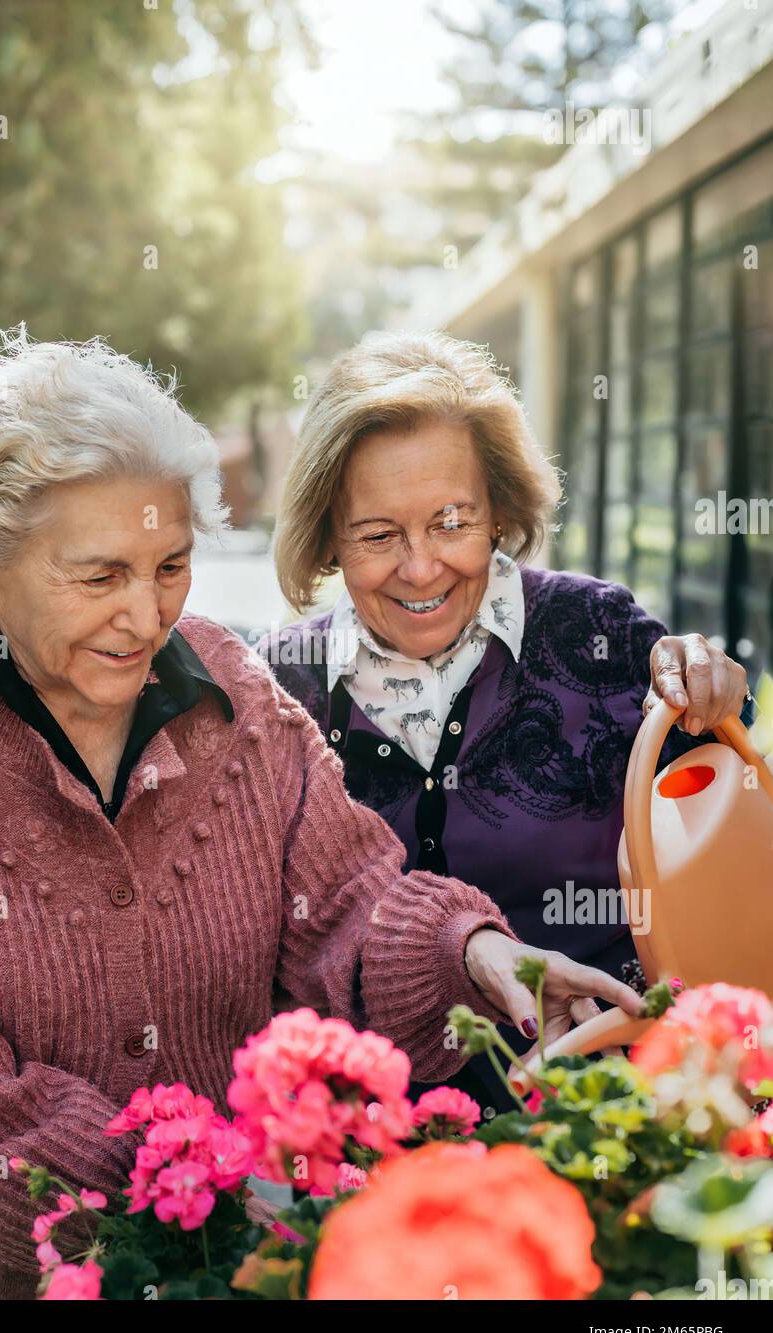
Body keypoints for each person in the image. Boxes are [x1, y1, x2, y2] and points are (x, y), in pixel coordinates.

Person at [0, 329, 640, 1300]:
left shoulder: (231, 690)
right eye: (100, 575)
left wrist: (474, 954)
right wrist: (187, 1208)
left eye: (170, 565)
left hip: (224, 1269)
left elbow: (348, 903)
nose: (146, 616)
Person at [260, 331, 753, 1114]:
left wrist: (720, 690)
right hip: (370, 1158)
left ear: (498, 510)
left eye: (452, 522)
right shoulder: (278, 692)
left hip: (615, 1122)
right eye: (379, 535)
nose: (420, 568)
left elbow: (731, 822)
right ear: (328, 536)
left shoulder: (597, 633)